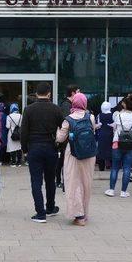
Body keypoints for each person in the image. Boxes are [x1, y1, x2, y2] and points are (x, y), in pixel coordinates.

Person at [21, 82, 64, 223]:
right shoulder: (56, 109)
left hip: (34, 147)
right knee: (50, 179)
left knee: (36, 180)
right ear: (49, 93)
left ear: (36, 93)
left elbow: (24, 132)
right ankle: (50, 207)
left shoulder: (28, 109)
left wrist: (25, 149)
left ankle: (40, 213)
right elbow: (63, 127)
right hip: (51, 148)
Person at [56, 93, 96, 227]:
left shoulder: (68, 119)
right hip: (89, 154)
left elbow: (60, 138)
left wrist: (58, 131)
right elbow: (93, 132)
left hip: (73, 154)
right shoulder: (90, 117)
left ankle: (79, 216)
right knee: (86, 183)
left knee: (73, 182)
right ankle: (85, 212)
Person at [105, 97, 132, 198]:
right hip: (131, 144)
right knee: (127, 168)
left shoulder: (118, 116)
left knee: (115, 167)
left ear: (124, 105)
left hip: (117, 142)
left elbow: (115, 127)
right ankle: (123, 192)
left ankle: (111, 190)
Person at [56, 85, 80, 188]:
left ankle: (61, 180)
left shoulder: (70, 104)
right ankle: (63, 181)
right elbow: (67, 122)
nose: (80, 93)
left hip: (69, 137)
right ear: (73, 93)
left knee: (64, 160)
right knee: (65, 160)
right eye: (78, 91)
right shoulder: (66, 105)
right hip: (67, 138)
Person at [96, 101, 114, 171]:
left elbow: (97, 125)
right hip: (110, 135)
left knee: (101, 151)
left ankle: (101, 167)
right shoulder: (113, 115)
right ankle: (110, 165)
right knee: (110, 150)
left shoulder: (99, 115)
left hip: (101, 135)